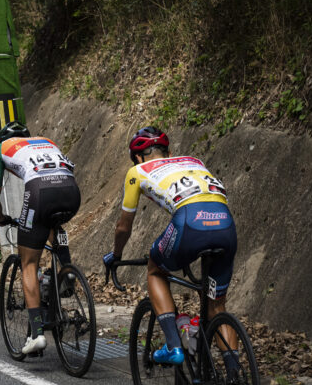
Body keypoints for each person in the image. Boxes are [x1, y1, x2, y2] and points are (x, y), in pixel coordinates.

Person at [102, 126, 238, 370]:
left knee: (155, 269)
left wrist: (117, 255)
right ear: (169, 152)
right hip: (225, 224)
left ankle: (174, 346)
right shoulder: (193, 161)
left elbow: (124, 227)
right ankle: (234, 379)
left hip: (189, 222)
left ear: (137, 157)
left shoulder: (137, 171)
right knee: (216, 305)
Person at [0, 122, 80, 354]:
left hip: (39, 193)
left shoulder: (0, 150)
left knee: (28, 262)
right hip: (71, 190)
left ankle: (36, 333)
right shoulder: (46, 142)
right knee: (51, 223)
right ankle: (65, 272)